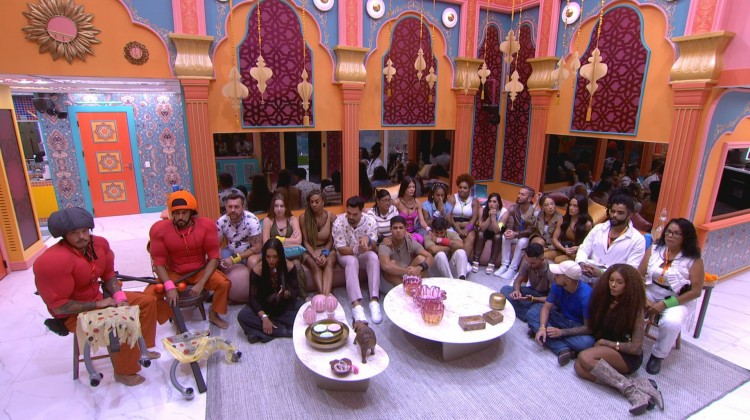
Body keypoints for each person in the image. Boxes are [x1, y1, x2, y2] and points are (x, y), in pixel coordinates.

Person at [34, 207, 159, 386]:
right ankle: (124, 371)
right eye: (74, 233)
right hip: (73, 314)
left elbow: (109, 276)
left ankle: (139, 349)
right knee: (121, 321)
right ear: (64, 235)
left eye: (84, 231)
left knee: (147, 302)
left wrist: (120, 298)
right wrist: (98, 305)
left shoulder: (99, 245)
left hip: (99, 298)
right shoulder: (53, 261)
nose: (81, 237)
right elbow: (59, 307)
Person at [575, 264, 663, 415]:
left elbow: (636, 348)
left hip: (627, 355)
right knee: (579, 368)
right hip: (607, 349)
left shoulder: (635, 309)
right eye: (611, 280)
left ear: (628, 285)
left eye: (619, 282)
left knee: (585, 357)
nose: (613, 285)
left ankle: (631, 393)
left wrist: (606, 343)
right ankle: (639, 385)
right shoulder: (605, 299)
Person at [146, 191, 231, 329]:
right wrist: (169, 286)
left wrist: (202, 283)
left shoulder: (206, 225)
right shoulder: (159, 229)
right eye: (176, 213)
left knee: (223, 284)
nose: (180, 217)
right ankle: (174, 317)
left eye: (184, 213)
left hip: (199, 271)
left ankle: (214, 314)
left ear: (191, 212)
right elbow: (158, 263)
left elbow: (214, 258)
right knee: (149, 295)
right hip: (174, 273)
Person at [638, 218, 705, 375]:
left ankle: (658, 355)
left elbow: (695, 291)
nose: (670, 236)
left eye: (676, 233)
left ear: (686, 237)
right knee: (630, 305)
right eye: (668, 232)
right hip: (651, 290)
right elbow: (639, 275)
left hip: (679, 298)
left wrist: (665, 304)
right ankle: (630, 343)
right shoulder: (655, 249)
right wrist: (644, 298)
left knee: (671, 322)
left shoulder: (694, 260)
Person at [528, 260, 595, 366]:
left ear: (568, 281)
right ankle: (562, 348)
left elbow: (588, 328)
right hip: (560, 317)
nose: (554, 276)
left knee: (587, 343)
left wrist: (562, 332)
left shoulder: (586, 296)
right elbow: (546, 308)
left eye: (558, 275)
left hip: (577, 326)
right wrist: (542, 327)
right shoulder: (557, 285)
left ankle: (547, 337)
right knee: (533, 311)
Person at [237, 238, 303, 343]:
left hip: (284, 308)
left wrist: (286, 294)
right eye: (268, 257)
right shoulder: (257, 270)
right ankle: (284, 331)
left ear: (280, 256)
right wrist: (264, 317)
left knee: (303, 310)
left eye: (275, 257)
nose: (271, 260)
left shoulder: (289, 267)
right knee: (243, 316)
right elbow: (253, 299)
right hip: (264, 308)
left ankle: (260, 332)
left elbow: (295, 292)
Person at [332, 196, 382, 323]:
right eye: (349, 213)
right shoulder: (339, 222)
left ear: (361, 211)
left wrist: (368, 240)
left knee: (373, 257)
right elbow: (341, 249)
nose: (351, 217)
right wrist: (356, 249)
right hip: (345, 255)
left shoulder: (370, 221)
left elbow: (374, 247)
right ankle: (356, 306)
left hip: (363, 254)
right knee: (352, 261)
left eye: (355, 214)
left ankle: (374, 301)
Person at [575, 194, 645, 283]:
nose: (615, 215)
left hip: (613, 281)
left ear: (629, 215)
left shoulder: (638, 239)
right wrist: (581, 263)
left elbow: (630, 269)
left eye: (620, 213)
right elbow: (584, 249)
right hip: (586, 273)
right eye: (613, 211)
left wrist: (601, 273)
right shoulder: (598, 228)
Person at [216, 193, 262, 303]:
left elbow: (257, 248)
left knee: (252, 261)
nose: (233, 210)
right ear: (226, 207)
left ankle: (256, 294)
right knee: (217, 259)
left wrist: (234, 259)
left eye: (236, 207)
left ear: (243, 207)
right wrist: (219, 259)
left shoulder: (251, 220)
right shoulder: (221, 221)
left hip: (251, 252)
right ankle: (225, 292)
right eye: (230, 207)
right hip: (231, 249)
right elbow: (216, 245)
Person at [500, 243, 554, 322]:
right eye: (527, 261)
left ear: (542, 259)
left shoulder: (552, 271)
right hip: (532, 291)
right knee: (505, 289)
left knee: (536, 310)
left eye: (532, 263)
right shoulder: (528, 263)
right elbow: (518, 280)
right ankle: (530, 314)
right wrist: (516, 290)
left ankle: (530, 314)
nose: (529, 264)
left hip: (545, 298)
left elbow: (553, 298)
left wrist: (533, 299)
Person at [300, 190, 337, 295]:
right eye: (311, 202)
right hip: (310, 250)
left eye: (317, 202)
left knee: (329, 263)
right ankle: (324, 296)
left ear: (323, 202)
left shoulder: (331, 217)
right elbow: (305, 241)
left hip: (327, 249)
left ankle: (326, 294)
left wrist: (324, 254)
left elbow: (331, 241)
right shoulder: (303, 218)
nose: (314, 204)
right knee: (315, 266)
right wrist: (315, 256)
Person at [379, 216, 435, 285]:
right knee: (392, 263)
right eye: (395, 228)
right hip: (391, 280)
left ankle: (417, 286)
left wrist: (419, 268)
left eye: (401, 228)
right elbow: (385, 265)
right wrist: (408, 271)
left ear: (405, 229)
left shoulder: (410, 242)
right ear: (390, 230)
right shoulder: (385, 244)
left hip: (407, 274)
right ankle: (407, 287)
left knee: (421, 258)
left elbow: (430, 257)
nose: (398, 231)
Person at [496, 186, 537, 281]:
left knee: (522, 242)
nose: (519, 196)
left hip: (526, 236)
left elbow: (530, 230)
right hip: (515, 234)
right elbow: (510, 223)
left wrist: (516, 234)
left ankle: (512, 269)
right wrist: (509, 231)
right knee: (505, 237)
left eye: (522, 194)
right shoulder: (513, 209)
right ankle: (504, 265)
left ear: (529, 199)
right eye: (519, 193)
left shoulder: (534, 212)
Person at [447, 173, 481, 265]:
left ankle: (462, 263)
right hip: (453, 225)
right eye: (460, 187)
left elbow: (474, 218)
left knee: (471, 236)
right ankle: (454, 262)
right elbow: (449, 216)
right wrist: (457, 229)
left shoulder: (474, 201)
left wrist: (467, 229)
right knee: (453, 236)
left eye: (465, 188)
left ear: (470, 189)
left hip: (468, 227)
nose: (462, 190)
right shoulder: (452, 198)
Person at [472, 193, 509, 275]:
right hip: (485, 230)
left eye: (494, 202)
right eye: (490, 201)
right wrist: (489, 217)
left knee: (498, 237)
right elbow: (482, 228)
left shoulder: (504, 212)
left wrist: (493, 217)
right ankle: (476, 260)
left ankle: (491, 263)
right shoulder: (482, 209)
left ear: (499, 203)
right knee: (480, 234)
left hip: (496, 232)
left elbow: (497, 230)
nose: (491, 204)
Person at [550, 194, 593, 263]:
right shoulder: (563, 220)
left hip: (577, 252)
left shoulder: (587, 224)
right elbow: (554, 239)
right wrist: (563, 249)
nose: (571, 208)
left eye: (575, 206)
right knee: (545, 256)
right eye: (570, 205)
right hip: (562, 248)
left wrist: (578, 247)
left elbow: (590, 244)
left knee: (557, 260)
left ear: (581, 207)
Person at [394, 176, 428, 244]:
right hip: (401, 232)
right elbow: (393, 221)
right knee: (413, 241)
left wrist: (428, 229)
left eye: (413, 187)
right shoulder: (397, 202)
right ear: (404, 188)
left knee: (422, 239)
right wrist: (405, 232)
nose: (412, 189)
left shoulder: (417, 202)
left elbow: (422, 221)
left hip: (414, 231)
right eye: (409, 187)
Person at [529, 193, 562, 263]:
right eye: (546, 205)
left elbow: (558, 239)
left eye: (552, 204)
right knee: (539, 243)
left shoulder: (560, 218)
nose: (550, 207)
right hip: (538, 240)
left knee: (537, 256)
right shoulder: (539, 214)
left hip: (551, 245)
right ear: (542, 207)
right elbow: (526, 219)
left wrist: (547, 248)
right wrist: (536, 202)